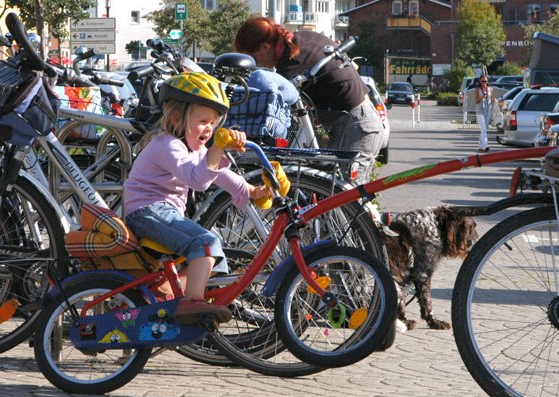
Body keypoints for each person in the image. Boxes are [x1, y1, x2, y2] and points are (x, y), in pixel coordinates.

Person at [123, 72, 270, 324]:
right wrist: (217, 149)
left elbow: (220, 174)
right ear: (178, 117)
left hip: (161, 213)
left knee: (215, 259)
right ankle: (190, 303)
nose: (210, 129)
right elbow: (199, 181)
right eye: (203, 121)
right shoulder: (167, 145)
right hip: (146, 212)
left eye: (214, 123)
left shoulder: (193, 148)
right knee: (204, 243)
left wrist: (252, 191)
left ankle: (165, 298)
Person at [233, 16, 384, 184]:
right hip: (357, 121)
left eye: (254, 57)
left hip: (356, 126)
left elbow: (283, 111)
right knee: (336, 194)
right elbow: (352, 67)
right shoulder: (302, 39)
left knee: (346, 198)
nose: (257, 63)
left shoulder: (291, 64)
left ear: (265, 47)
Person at [474, 75, 492, 152]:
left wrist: (496, 101)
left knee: (484, 129)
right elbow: (476, 101)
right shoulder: (477, 89)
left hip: (488, 110)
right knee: (483, 128)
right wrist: (482, 97)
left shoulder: (490, 89)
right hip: (480, 110)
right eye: (482, 81)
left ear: (487, 82)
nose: (484, 83)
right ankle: (485, 145)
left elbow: (491, 99)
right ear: (480, 82)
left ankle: (480, 146)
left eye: (485, 81)